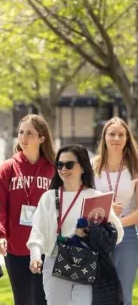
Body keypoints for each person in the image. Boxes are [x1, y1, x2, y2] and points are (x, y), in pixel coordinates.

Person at [27, 144, 124, 305]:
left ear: (83, 167)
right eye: (59, 165)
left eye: (69, 164)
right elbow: (37, 231)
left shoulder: (96, 197)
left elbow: (117, 234)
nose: (63, 169)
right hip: (54, 262)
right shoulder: (49, 198)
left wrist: (91, 231)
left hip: (87, 263)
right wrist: (35, 256)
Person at [0, 114, 55, 305]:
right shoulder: (7, 168)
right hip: (17, 247)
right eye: (21, 132)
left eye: (30, 133)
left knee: (45, 300)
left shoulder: (53, 169)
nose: (23, 137)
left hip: (48, 247)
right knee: (23, 300)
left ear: (42, 138)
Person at [92, 117, 138, 305]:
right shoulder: (92, 166)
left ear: (127, 138)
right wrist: (106, 209)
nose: (116, 138)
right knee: (98, 295)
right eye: (112, 134)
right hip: (97, 235)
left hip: (126, 236)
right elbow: (82, 202)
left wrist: (117, 222)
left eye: (121, 135)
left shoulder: (135, 167)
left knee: (123, 295)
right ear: (104, 138)